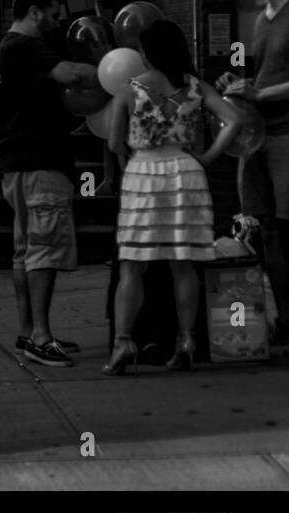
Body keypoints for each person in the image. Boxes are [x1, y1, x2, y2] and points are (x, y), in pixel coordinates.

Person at [103, 20, 243, 374]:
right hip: (186, 174)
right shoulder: (195, 87)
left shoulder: (129, 89)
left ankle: (123, 342)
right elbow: (234, 119)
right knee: (184, 264)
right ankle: (186, 340)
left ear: (147, 52)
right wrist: (208, 157)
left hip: (143, 177)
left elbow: (114, 143)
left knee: (132, 265)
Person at [0, 0, 102, 367]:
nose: (58, 22)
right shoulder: (25, 46)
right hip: (39, 163)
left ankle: (27, 333)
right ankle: (40, 337)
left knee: (25, 253)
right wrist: (111, 68)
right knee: (44, 249)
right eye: (54, 14)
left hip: (18, 164)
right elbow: (71, 75)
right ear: (34, 11)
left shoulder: (8, 48)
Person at [219, 0, 289, 343]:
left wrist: (260, 92)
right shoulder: (261, 19)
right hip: (257, 137)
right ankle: (283, 319)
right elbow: (265, 76)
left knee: (285, 228)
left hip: (286, 137)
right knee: (264, 229)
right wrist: (240, 83)